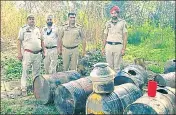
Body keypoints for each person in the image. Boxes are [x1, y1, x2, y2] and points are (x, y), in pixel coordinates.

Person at [17, 14, 45, 96]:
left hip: (37, 54)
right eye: (30, 19)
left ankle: (35, 88)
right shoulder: (23, 29)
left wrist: (44, 51)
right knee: (25, 71)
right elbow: (19, 41)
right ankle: (24, 88)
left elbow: (42, 41)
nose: (32, 20)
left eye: (33, 19)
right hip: (27, 53)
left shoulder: (38, 29)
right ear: (27, 20)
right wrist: (19, 53)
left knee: (36, 72)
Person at [102, 6, 128, 71]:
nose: (114, 15)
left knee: (117, 67)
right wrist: (103, 48)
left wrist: (124, 49)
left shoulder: (123, 22)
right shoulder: (107, 23)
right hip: (108, 46)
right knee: (109, 67)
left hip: (118, 46)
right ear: (111, 14)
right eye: (112, 13)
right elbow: (105, 36)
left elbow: (125, 36)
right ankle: (110, 81)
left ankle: (116, 80)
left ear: (118, 14)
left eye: (115, 13)